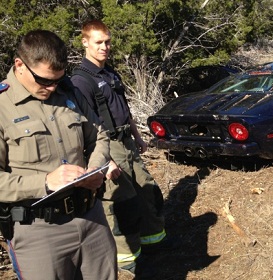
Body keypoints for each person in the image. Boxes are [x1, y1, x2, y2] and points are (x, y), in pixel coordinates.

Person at [0, 30, 117, 279]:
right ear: (19, 65)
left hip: (91, 215)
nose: (52, 87)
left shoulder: (69, 91)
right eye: (44, 81)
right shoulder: (2, 107)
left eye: (58, 79)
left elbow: (99, 136)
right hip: (38, 230)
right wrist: (45, 182)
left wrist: (94, 170)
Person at [71, 19, 173, 277]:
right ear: (85, 42)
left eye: (107, 42)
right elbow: (85, 126)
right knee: (121, 205)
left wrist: (138, 138)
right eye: (98, 42)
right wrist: (105, 161)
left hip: (127, 142)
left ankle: (155, 243)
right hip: (108, 147)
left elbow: (124, 111)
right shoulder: (81, 81)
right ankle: (126, 264)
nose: (105, 47)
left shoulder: (110, 73)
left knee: (147, 190)